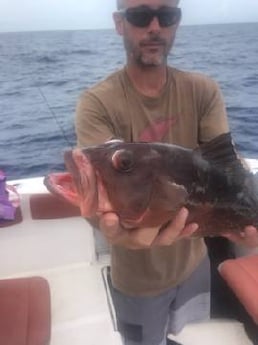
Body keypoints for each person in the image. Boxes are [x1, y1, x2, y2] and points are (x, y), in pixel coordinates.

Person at [75, 0, 258, 344]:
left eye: (167, 15)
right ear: (119, 23)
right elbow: (100, 193)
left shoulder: (203, 90)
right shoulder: (96, 103)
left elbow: (227, 169)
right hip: (138, 279)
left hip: (194, 264)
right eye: (140, 16)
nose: (155, 27)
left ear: (177, 21)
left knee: (187, 333)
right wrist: (107, 227)